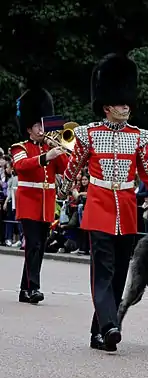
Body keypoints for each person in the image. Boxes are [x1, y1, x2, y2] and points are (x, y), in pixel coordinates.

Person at [58, 53, 148, 352]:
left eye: (127, 101)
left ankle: (99, 332)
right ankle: (111, 325)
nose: (127, 106)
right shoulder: (90, 135)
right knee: (104, 271)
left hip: (126, 209)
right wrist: (63, 188)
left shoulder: (137, 138)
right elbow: (73, 167)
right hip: (98, 207)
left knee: (120, 273)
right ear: (107, 106)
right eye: (121, 102)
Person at [11, 86, 69, 304]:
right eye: (38, 125)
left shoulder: (50, 146)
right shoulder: (20, 147)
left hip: (46, 204)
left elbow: (65, 168)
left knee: (39, 247)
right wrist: (46, 156)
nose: (41, 128)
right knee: (33, 245)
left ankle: (24, 289)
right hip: (28, 203)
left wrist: (60, 149)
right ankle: (33, 287)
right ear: (29, 128)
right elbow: (21, 166)